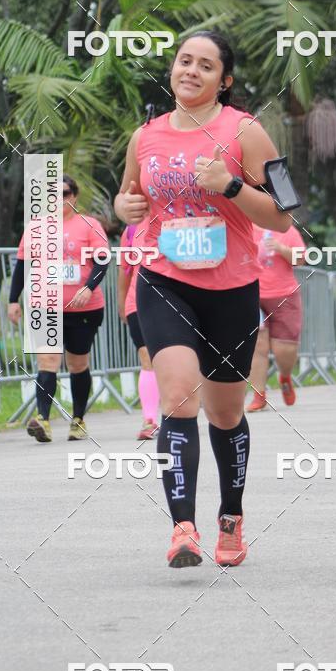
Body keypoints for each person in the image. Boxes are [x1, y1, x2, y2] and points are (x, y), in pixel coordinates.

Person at [114, 30, 292, 569]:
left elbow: (284, 215)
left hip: (231, 289)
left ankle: (230, 517)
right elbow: (129, 196)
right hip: (163, 280)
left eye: (205, 65)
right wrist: (124, 209)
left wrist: (230, 186)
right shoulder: (145, 136)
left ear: (224, 80)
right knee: (177, 399)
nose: (191, 70)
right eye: (184, 61)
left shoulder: (246, 131)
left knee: (224, 413)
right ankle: (182, 528)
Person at [8, 175, 109, 442]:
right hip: (45, 306)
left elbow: (102, 261)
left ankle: (78, 419)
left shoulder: (90, 225)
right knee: (47, 360)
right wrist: (13, 300)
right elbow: (22, 265)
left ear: (74, 196)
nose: (57, 199)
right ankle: (43, 419)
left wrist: (88, 288)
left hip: (84, 309)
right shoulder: (35, 227)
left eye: (63, 193)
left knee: (78, 364)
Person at [246, 223, 306, 411]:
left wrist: (281, 248)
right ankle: (259, 395)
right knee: (258, 344)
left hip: (284, 294)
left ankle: (285, 376)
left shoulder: (286, 229)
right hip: (252, 294)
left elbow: (301, 259)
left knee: (284, 350)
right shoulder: (244, 227)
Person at [117, 221, 160, 440]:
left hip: (174, 302)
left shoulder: (179, 218)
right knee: (146, 358)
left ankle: (179, 415)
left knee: (175, 361)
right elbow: (125, 271)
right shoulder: (132, 230)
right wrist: (122, 304)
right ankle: (149, 420)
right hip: (137, 302)